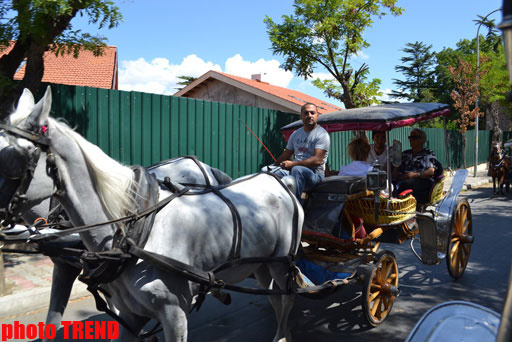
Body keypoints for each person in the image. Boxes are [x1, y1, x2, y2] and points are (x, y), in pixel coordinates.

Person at [273, 103, 330, 199]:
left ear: (317, 115)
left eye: (312, 113)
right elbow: (286, 153)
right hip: (295, 172)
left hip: (315, 176)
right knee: (268, 172)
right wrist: (273, 167)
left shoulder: (322, 134)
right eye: (306, 113)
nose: (309, 116)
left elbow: (318, 160)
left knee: (297, 170)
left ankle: (296, 209)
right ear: (301, 116)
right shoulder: (295, 134)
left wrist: (292, 164)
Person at [394, 128, 442, 204]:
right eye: (410, 138)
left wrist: (414, 175)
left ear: (422, 140)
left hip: (422, 180)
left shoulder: (427, 153)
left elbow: (431, 171)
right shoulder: (405, 153)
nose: (411, 140)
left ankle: (399, 204)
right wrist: (396, 173)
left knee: (406, 184)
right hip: (403, 179)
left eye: (414, 138)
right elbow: (396, 167)